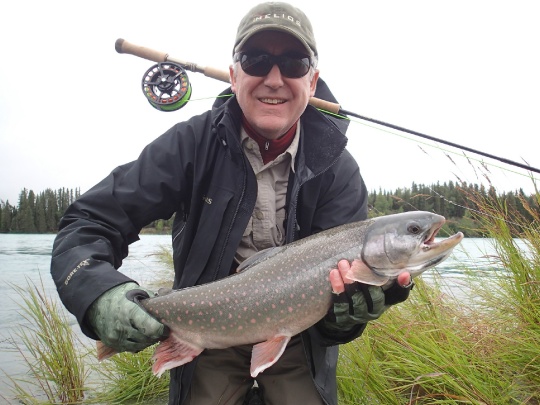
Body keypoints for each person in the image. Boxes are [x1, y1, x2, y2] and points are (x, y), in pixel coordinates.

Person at [50, 2, 413, 405]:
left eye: (293, 63)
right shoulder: (190, 144)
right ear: (235, 73)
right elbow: (88, 221)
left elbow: (334, 317)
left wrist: (347, 319)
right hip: (205, 325)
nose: (274, 79)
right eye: (256, 60)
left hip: (298, 337)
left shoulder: (337, 170)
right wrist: (98, 294)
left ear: (312, 81)